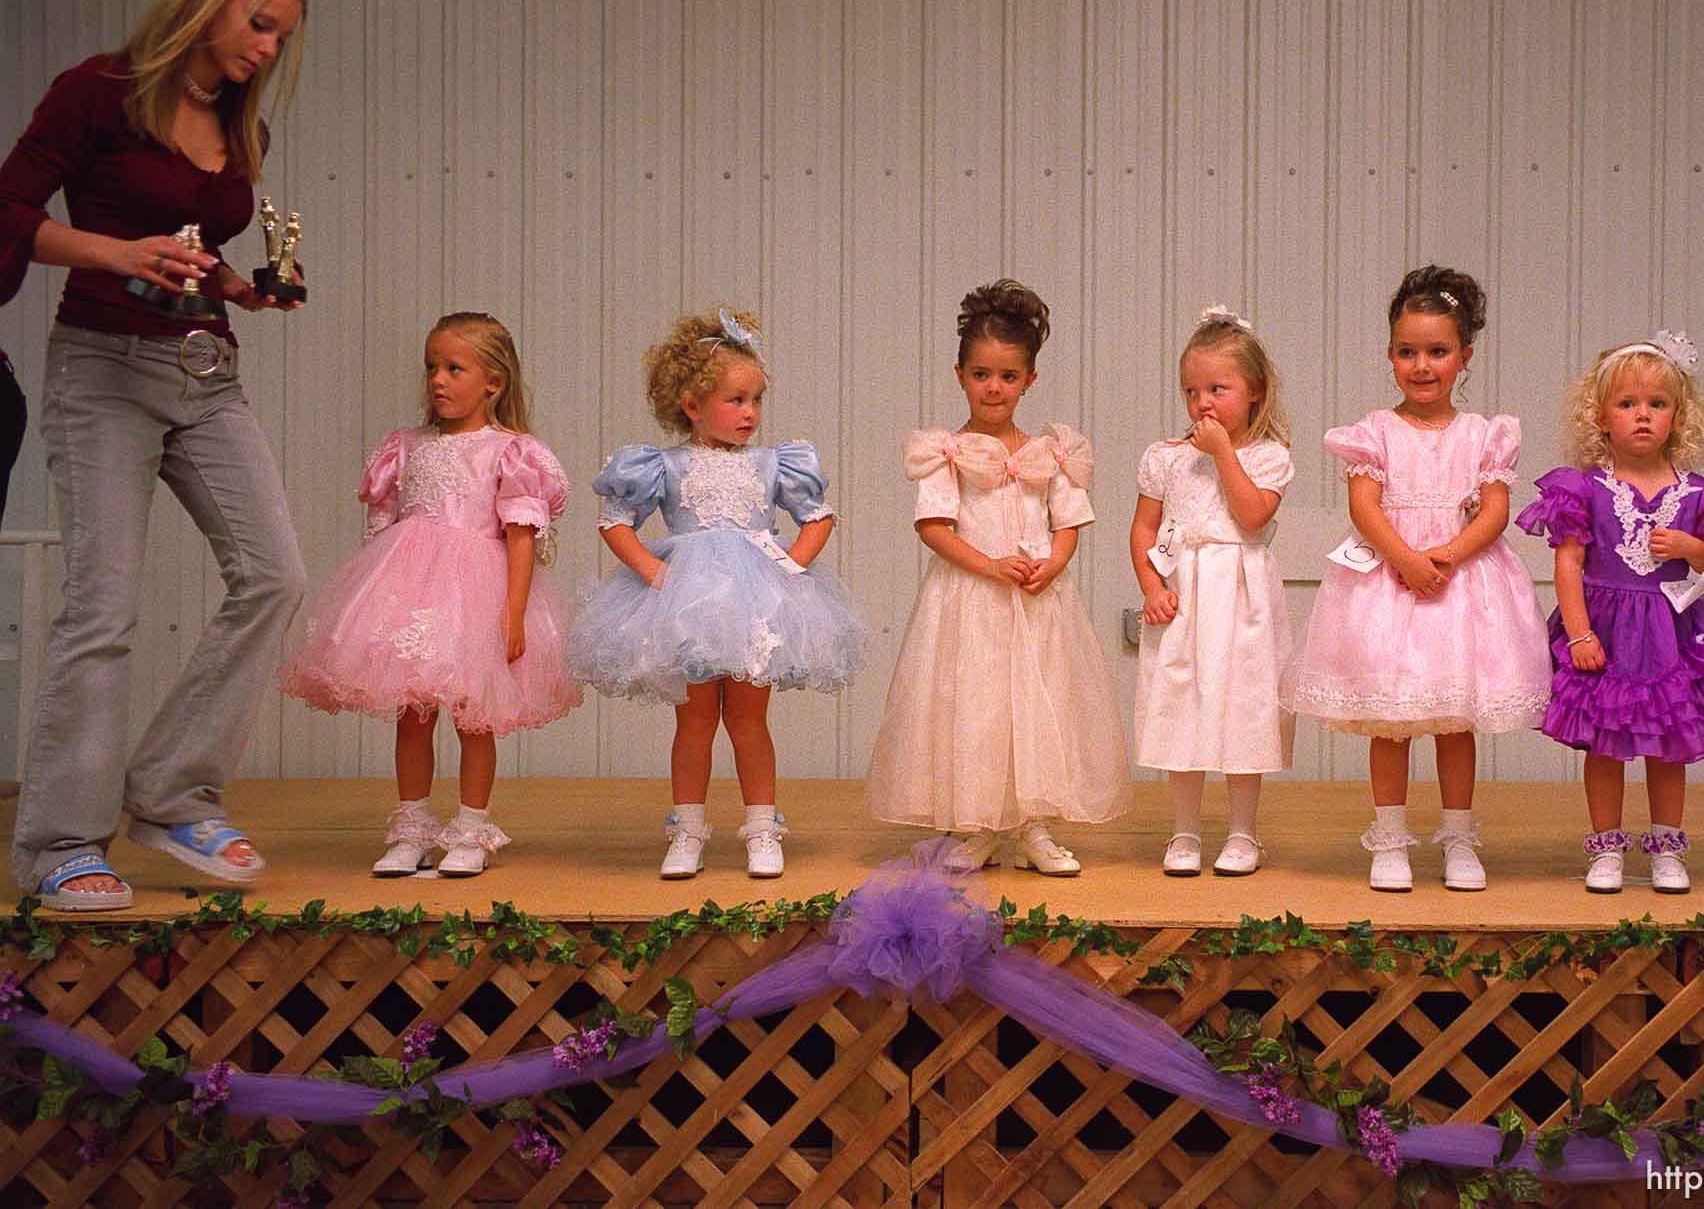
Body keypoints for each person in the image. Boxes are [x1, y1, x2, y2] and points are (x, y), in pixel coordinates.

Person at [0, 0, 310, 909]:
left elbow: (191, 247)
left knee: (275, 575)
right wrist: (113, 252)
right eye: (258, 24)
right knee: (104, 604)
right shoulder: (96, 90)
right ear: (207, 1)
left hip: (206, 368)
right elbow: (10, 212)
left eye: (281, 37)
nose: (266, 48)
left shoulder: (239, 123)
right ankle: (59, 843)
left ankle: (173, 792)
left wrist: (237, 286)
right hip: (102, 370)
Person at [280, 313, 581, 877]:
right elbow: (384, 530)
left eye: (454, 368)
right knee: (413, 713)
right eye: (431, 368)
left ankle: (470, 826)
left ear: (493, 382)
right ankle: (413, 825)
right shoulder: (406, 446)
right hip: (411, 591)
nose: (438, 380)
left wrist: (512, 613)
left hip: (478, 593)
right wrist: (374, 601)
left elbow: (521, 537)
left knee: (474, 716)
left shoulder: (510, 452)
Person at [566, 307, 863, 880]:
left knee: (750, 721)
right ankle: (688, 828)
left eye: (755, 400)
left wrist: (792, 566)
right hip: (689, 605)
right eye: (734, 400)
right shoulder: (664, 465)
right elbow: (615, 520)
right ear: (692, 404)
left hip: (757, 602)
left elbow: (818, 516)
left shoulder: (775, 462)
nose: (749, 413)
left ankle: (761, 827)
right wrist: (653, 572)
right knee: (694, 723)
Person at [1281, 267, 1550, 892]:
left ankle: (1459, 838)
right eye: (1407, 352)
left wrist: (1448, 554)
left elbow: (1495, 510)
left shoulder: (1484, 434)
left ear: (1465, 357)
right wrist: (1404, 557)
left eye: (1437, 351)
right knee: (1391, 718)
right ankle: (1391, 837)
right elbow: (1365, 506)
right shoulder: (1374, 432)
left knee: (1455, 719)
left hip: (1462, 587)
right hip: (1390, 584)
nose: (1421, 365)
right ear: (1390, 356)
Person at [866, 278, 1131, 873]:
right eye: (982, 374)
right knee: (974, 705)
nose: (994, 387)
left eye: (1008, 377)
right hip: (971, 601)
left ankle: (1034, 826)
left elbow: (1068, 519)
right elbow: (934, 527)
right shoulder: (948, 451)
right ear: (959, 374)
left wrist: (1054, 563)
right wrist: (990, 567)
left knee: (1039, 705)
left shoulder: (1048, 451)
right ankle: (976, 826)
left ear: (1030, 380)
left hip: (1038, 602)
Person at [1516, 331, 1704, 894]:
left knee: (1668, 740)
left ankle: (1666, 845)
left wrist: (1688, 547)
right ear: (1601, 417)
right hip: (1604, 629)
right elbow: (1568, 563)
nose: (1642, 417)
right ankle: (1606, 846)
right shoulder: (1584, 488)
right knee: (1606, 741)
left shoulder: (1701, 492)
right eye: (1627, 404)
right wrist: (1578, 633)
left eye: (1657, 405)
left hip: (1672, 632)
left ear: (1678, 417)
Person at [1131, 305, 1295, 878]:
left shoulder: (1267, 457)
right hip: (1185, 600)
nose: (1203, 403)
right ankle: (1183, 832)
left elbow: (1251, 517)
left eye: (1218, 388)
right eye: (1192, 390)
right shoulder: (1166, 458)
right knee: (1183, 708)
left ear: (1254, 391)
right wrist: (1151, 584)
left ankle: (1244, 833)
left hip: (1242, 601)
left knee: (1242, 709)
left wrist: (1224, 451)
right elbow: (1144, 529)